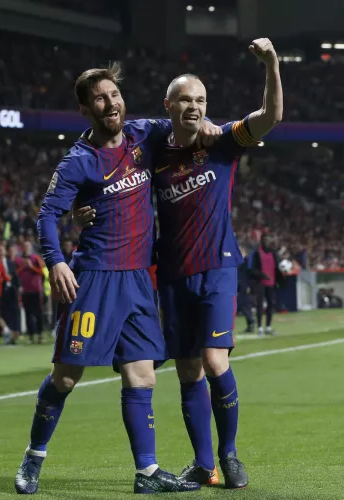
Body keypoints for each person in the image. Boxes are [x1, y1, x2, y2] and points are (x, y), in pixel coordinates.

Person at [14, 63, 218, 496]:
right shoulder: (78, 161)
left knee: (142, 375)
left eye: (115, 95)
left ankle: (147, 472)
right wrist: (56, 262)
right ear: (86, 110)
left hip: (139, 281)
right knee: (66, 378)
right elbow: (47, 214)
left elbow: (187, 121)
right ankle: (34, 457)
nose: (112, 104)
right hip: (94, 279)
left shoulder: (144, 134)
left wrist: (209, 121)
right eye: (101, 99)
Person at [151, 38, 281, 490]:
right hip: (172, 273)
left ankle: (229, 456)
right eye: (186, 100)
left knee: (213, 361)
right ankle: (203, 464)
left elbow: (270, 118)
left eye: (201, 101)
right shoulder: (152, 151)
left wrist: (271, 65)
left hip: (219, 268)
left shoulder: (223, 142)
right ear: (169, 105)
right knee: (186, 370)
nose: (194, 107)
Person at [248, 234, 283, 336]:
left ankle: (268, 327)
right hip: (260, 283)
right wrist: (262, 275)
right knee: (259, 305)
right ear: (261, 241)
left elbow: (278, 266)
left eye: (268, 240)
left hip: (271, 283)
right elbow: (251, 269)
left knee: (271, 305)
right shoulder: (256, 253)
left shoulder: (273, 253)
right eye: (265, 240)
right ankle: (259, 328)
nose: (267, 242)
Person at [18, 240, 47, 344]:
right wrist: (23, 266)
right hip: (25, 291)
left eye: (28, 246)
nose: (26, 248)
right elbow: (16, 273)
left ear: (30, 248)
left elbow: (41, 272)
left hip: (36, 290)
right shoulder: (19, 260)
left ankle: (39, 335)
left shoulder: (36, 258)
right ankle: (30, 336)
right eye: (24, 246)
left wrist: (31, 267)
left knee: (38, 313)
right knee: (27, 313)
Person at [0, 244, 22, 342]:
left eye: (2, 250)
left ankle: (16, 332)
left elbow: (16, 276)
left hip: (12, 291)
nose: (0, 252)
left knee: (15, 312)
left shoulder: (10, 263)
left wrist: (19, 286)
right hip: (1, 291)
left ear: (5, 251)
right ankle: (7, 334)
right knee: (4, 314)